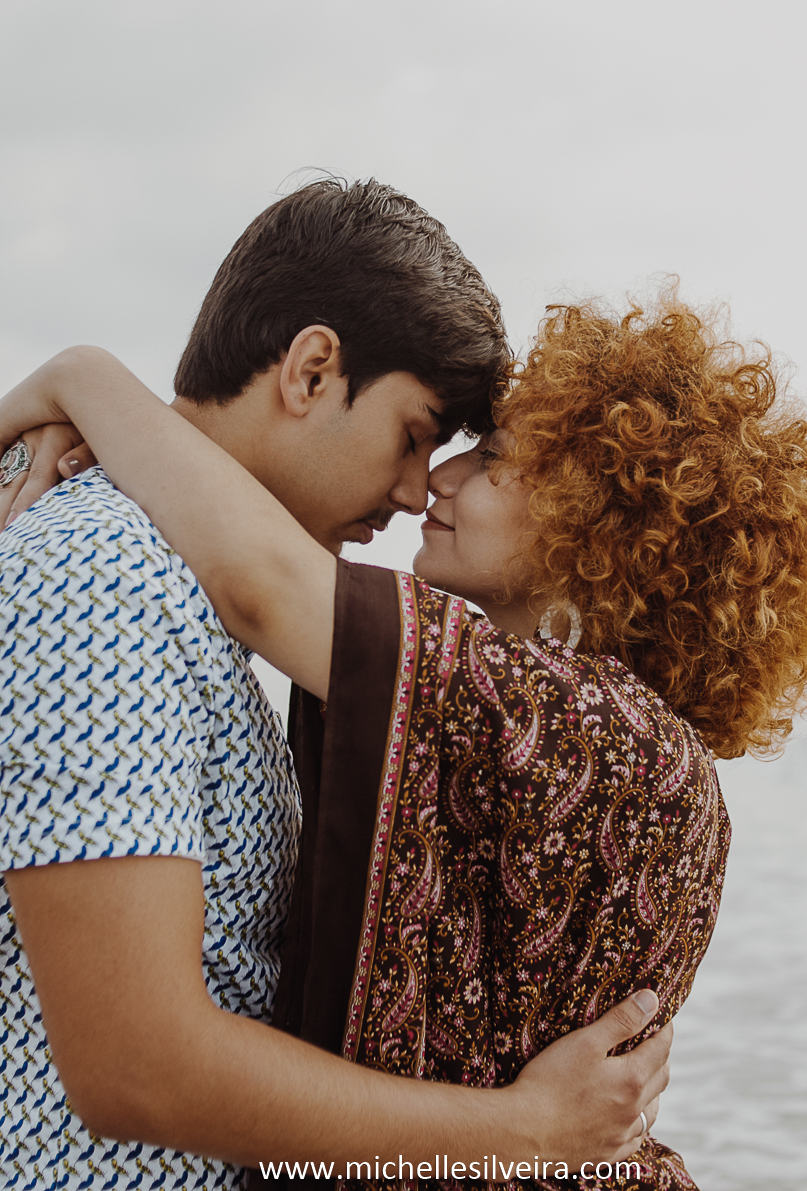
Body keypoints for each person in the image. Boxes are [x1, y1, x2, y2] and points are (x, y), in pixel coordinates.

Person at [0, 295, 807, 1189]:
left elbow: (265, 582)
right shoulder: (602, 732)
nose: (439, 483)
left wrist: (84, 377)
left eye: (494, 463)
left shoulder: (595, 732)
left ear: (602, 520)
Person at [0, 180, 671, 1191]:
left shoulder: (181, 588)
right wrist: (524, 1133)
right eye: (414, 436)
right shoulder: (106, 579)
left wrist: (85, 381)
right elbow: (134, 1065)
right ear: (313, 370)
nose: (414, 495)